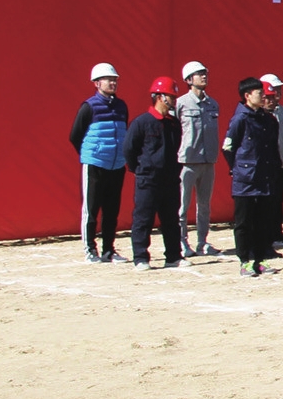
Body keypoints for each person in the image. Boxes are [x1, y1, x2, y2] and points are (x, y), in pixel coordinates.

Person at [71, 62, 129, 263]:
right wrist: (90, 154)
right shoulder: (89, 107)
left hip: (117, 165)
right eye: (108, 79)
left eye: (115, 79)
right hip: (94, 165)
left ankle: (108, 250)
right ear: (97, 83)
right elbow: (75, 135)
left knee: (111, 211)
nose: (113, 82)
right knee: (92, 209)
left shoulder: (121, 106)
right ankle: (90, 250)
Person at [223, 77, 281, 277]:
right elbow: (228, 147)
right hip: (245, 180)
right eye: (259, 92)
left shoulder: (268, 120)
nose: (263, 96)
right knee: (244, 222)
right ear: (247, 96)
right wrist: (238, 169)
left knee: (262, 221)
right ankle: (245, 260)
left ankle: (260, 258)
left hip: (264, 178)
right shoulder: (240, 119)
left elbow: (273, 148)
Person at [123, 76, 182, 268]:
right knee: (143, 219)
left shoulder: (173, 123)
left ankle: (173, 256)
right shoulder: (141, 122)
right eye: (171, 96)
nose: (174, 100)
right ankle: (140, 257)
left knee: (171, 219)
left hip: (170, 179)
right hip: (148, 180)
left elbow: (176, 147)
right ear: (159, 97)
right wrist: (140, 169)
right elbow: (129, 150)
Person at [175, 60, 222, 258]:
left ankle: (202, 242)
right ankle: (182, 241)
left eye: (205, 73)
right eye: (198, 74)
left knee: (204, 205)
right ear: (188, 79)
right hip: (187, 162)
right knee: (182, 206)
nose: (203, 76)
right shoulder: (180, 104)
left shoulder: (212, 104)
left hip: (208, 161)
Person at [260, 74, 283, 247]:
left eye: (279, 89)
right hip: (266, 165)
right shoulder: (259, 115)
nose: (278, 93)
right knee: (267, 200)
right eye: (274, 89)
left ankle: (277, 231)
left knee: (278, 198)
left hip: (282, 161)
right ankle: (266, 233)